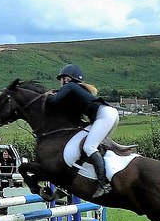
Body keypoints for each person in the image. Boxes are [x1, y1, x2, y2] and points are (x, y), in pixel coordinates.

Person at [45, 63, 119, 198]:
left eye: (61, 79)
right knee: (90, 148)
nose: (60, 82)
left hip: (104, 115)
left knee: (89, 147)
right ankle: (69, 184)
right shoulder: (75, 90)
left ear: (66, 78)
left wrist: (46, 95)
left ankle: (104, 183)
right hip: (108, 114)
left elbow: (53, 102)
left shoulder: (70, 86)